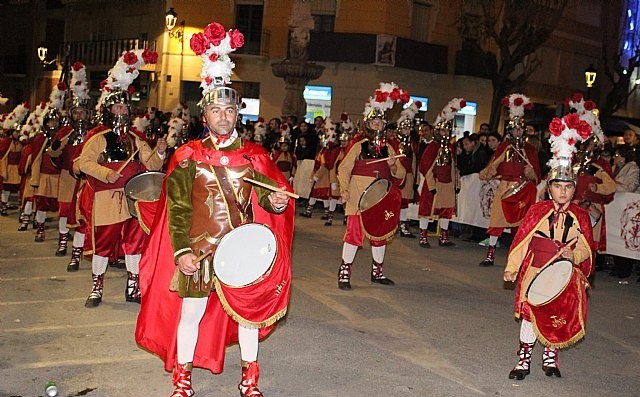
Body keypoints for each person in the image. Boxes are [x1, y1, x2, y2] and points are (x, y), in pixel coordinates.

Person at [135, 22, 294, 397]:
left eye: (229, 110)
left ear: (238, 113)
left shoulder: (254, 156)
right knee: (190, 313)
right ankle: (183, 377)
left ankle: (250, 380)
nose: (223, 116)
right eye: (216, 110)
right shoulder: (188, 155)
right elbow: (176, 208)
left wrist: (277, 200)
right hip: (200, 250)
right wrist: (182, 251)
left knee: (249, 319)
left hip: (244, 250)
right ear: (204, 115)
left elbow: (271, 197)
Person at [503, 113, 595, 381]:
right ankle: (523, 360)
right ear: (549, 188)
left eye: (568, 186)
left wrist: (574, 254)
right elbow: (522, 242)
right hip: (536, 269)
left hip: (563, 273)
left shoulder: (581, 216)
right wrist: (511, 268)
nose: (563, 191)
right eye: (558, 186)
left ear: (573, 189)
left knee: (556, 313)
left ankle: (550, 357)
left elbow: (587, 248)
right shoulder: (538, 210)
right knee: (531, 315)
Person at [76, 48, 162, 307]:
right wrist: (106, 172)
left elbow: (152, 165)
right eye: (118, 105)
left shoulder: (136, 139)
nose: (122, 109)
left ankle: (133, 285)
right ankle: (96, 287)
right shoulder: (98, 138)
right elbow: (83, 163)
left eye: (125, 106)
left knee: (134, 242)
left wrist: (160, 151)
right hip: (107, 198)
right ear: (109, 109)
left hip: (133, 199)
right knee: (104, 243)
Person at [336, 82, 408, 290]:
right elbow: (343, 169)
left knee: (380, 233)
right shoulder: (358, 145)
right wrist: (344, 190)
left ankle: (378, 271)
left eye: (380, 122)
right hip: (359, 196)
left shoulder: (389, 148)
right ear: (368, 124)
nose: (377, 125)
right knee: (354, 234)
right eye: (374, 122)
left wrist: (394, 166)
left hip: (381, 196)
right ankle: (344, 273)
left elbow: (401, 174)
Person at [478, 94, 540, 266]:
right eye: (514, 129)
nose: (517, 132)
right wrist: (487, 172)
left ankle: (519, 257)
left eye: (520, 129)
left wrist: (530, 173)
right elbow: (494, 165)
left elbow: (536, 174)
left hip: (522, 189)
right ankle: (490, 254)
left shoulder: (530, 149)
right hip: (504, 187)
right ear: (510, 131)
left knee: (520, 225)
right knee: (496, 221)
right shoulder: (505, 147)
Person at [49, 62, 92, 262]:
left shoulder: (93, 133)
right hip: (67, 177)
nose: (79, 115)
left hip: (85, 179)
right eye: (76, 112)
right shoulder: (65, 132)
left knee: (83, 214)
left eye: (82, 112)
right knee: (65, 210)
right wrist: (66, 138)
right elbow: (53, 153)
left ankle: (78, 251)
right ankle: (63, 242)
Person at [417, 98, 466, 248]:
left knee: (447, 210)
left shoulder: (451, 148)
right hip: (435, 183)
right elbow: (425, 167)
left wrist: (456, 183)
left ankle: (443, 236)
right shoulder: (432, 147)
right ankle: (423, 236)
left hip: (447, 183)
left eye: (447, 130)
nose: (445, 133)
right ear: (437, 131)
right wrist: (431, 184)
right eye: (442, 130)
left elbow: (454, 167)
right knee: (426, 209)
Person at [392, 101, 420, 238]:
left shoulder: (413, 144)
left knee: (404, 204)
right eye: (404, 128)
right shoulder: (394, 143)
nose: (407, 131)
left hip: (408, 176)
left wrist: (415, 178)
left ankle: (403, 226)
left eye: (409, 128)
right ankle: (392, 225)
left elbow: (414, 161)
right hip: (396, 176)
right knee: (395, 202)